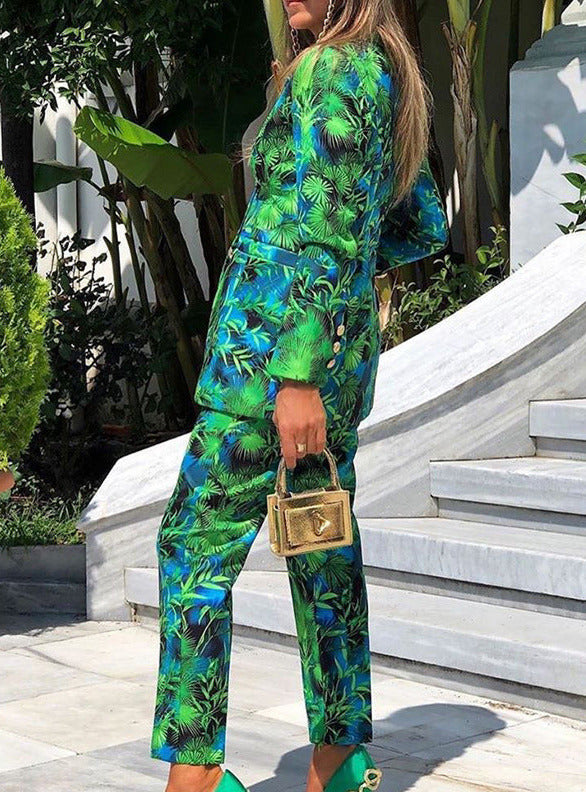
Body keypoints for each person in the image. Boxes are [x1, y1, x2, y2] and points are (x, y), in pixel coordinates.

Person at [151, 1, 449, 791]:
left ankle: (196, 774)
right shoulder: (381, 73)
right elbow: (419, 222)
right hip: (323, 365)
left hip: (271, 364)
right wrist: (337, 312)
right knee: (321, 551)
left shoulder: (332, 69)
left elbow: (323, 232)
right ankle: (340, 759)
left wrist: (297, 372)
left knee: (193, 546)